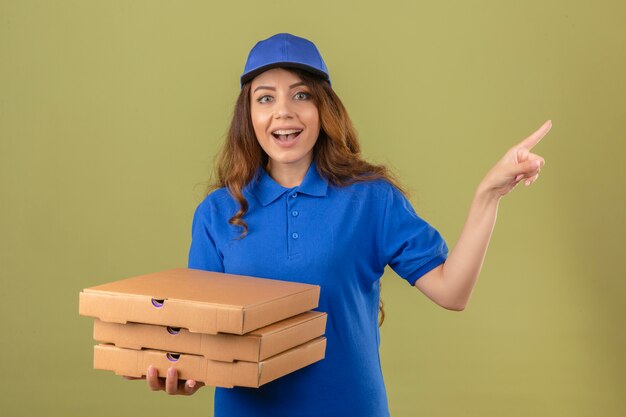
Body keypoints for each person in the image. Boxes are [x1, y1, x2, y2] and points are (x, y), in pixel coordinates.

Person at [135, 33, 551, 416]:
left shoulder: (371, 199)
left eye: (301, 95)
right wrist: (183, 375)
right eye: (265, 98)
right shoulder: (216, 212)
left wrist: (487, 195)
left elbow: (452, 291)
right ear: (248, 114)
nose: (283, 111)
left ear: (323, 109)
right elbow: (200, 342)